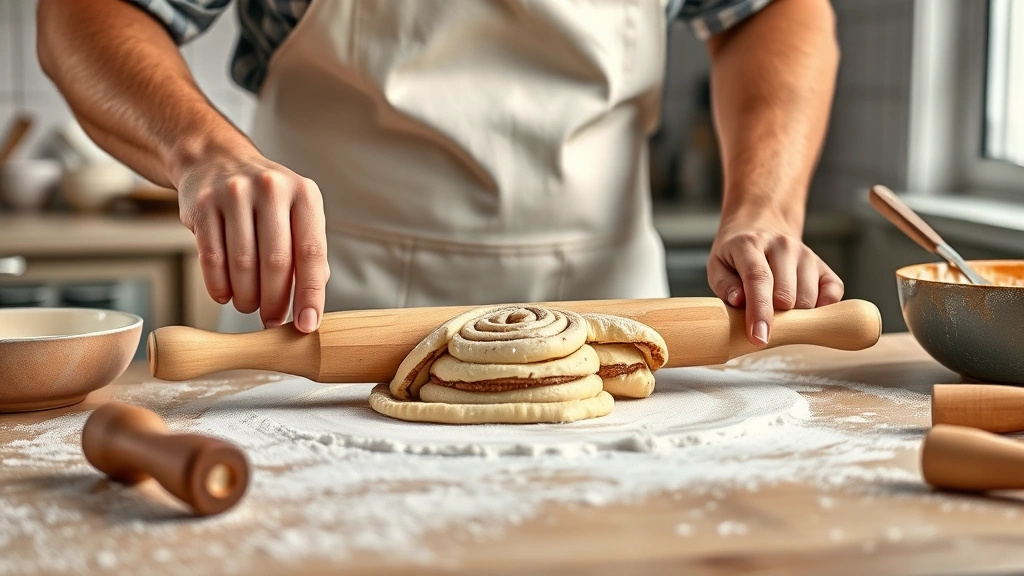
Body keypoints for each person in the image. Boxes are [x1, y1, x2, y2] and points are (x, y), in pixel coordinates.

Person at [37, 0, 843, 346]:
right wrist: (204, 152)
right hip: (323, 321)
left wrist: (765, 205)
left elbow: (768, 10)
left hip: (609, 317)